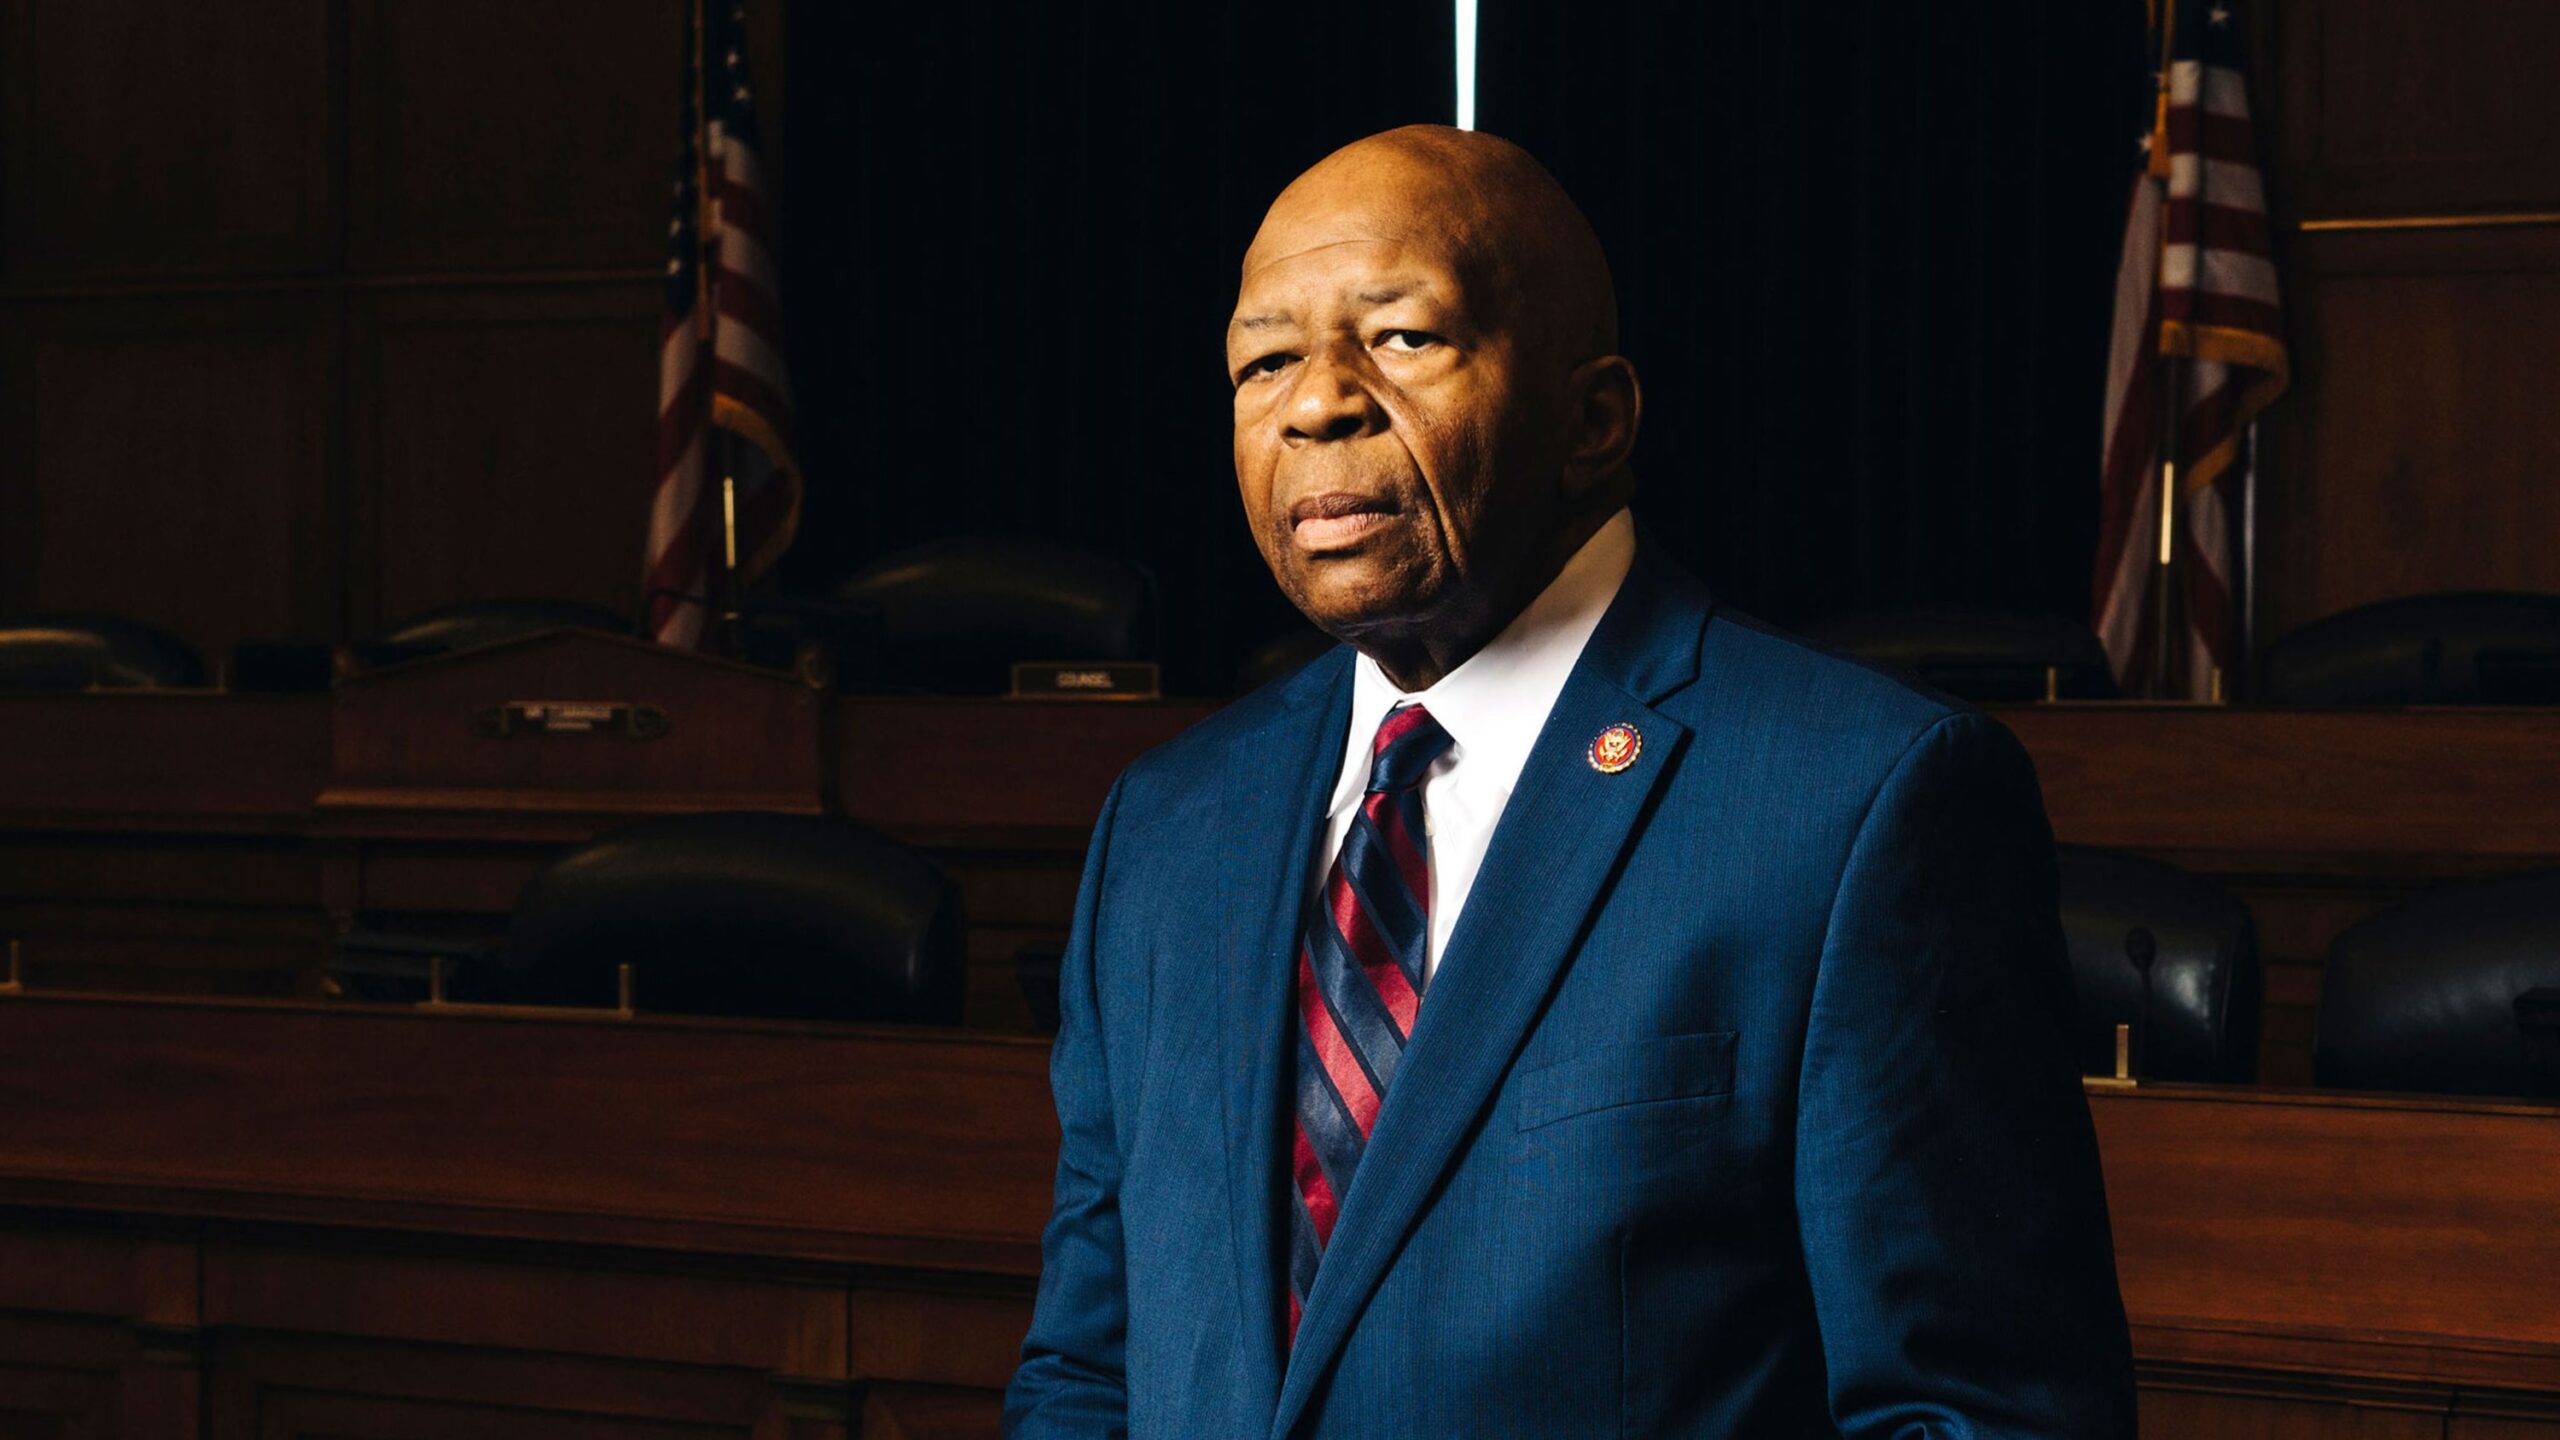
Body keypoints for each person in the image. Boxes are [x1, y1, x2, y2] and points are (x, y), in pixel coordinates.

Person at [1005, 125, 2134, 1438]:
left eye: (1404, 337)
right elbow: (1089, 1374)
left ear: (1594, 419)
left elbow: (1979, 1415)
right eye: (1265, 360)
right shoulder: (1163, 829)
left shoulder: (1864, 807)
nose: (1317, 402)